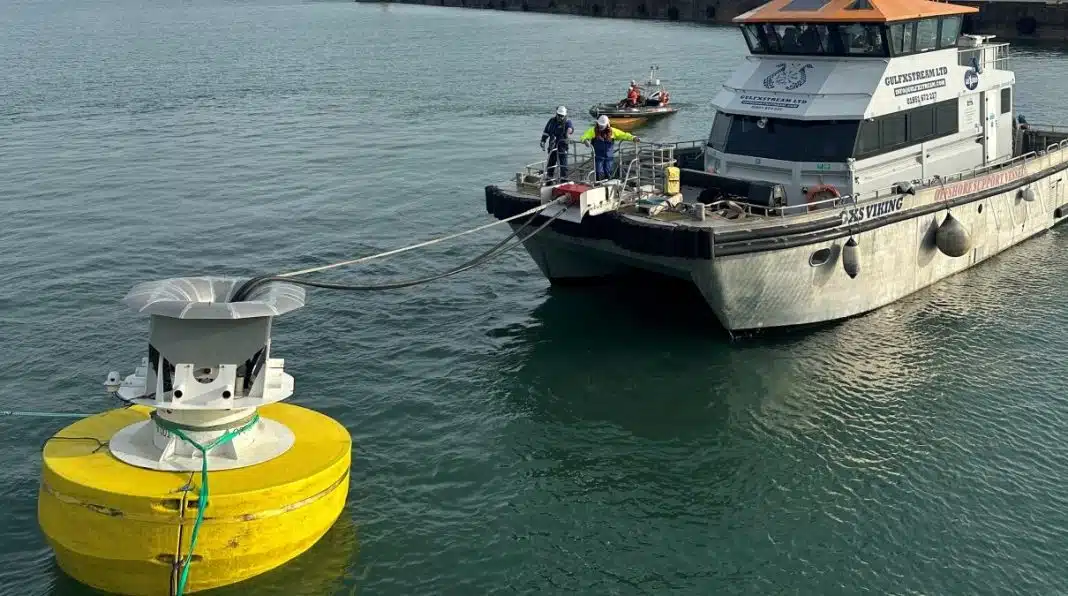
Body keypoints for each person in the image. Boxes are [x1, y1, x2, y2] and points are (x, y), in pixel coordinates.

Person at [580, 115, 639, 181]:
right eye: (600, 125)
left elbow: (623, 135)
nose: (601, 126)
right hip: (598, 156)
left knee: (609, 171)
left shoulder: (612, 131)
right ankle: (599, 184)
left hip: (609, 157)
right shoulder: (593, 131)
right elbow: (584, 136)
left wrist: (633, 137)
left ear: (607, 124)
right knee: (599, 172)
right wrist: (585, 141)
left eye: (602, 125)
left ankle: (608, 184)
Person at [539, 106, 574, 183]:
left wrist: (568, 134)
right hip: (552, 146)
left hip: (562, 147)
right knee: (550, 164)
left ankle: (564, 180)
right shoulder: (551, 121)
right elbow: (546, 131)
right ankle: (549, 180)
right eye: (559, 115)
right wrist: (543, 141)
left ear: (565, 115)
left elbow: (570, 128)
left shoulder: (568, 122)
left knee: (563, 165)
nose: (560, 117)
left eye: (562, 116)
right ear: (556, 114)